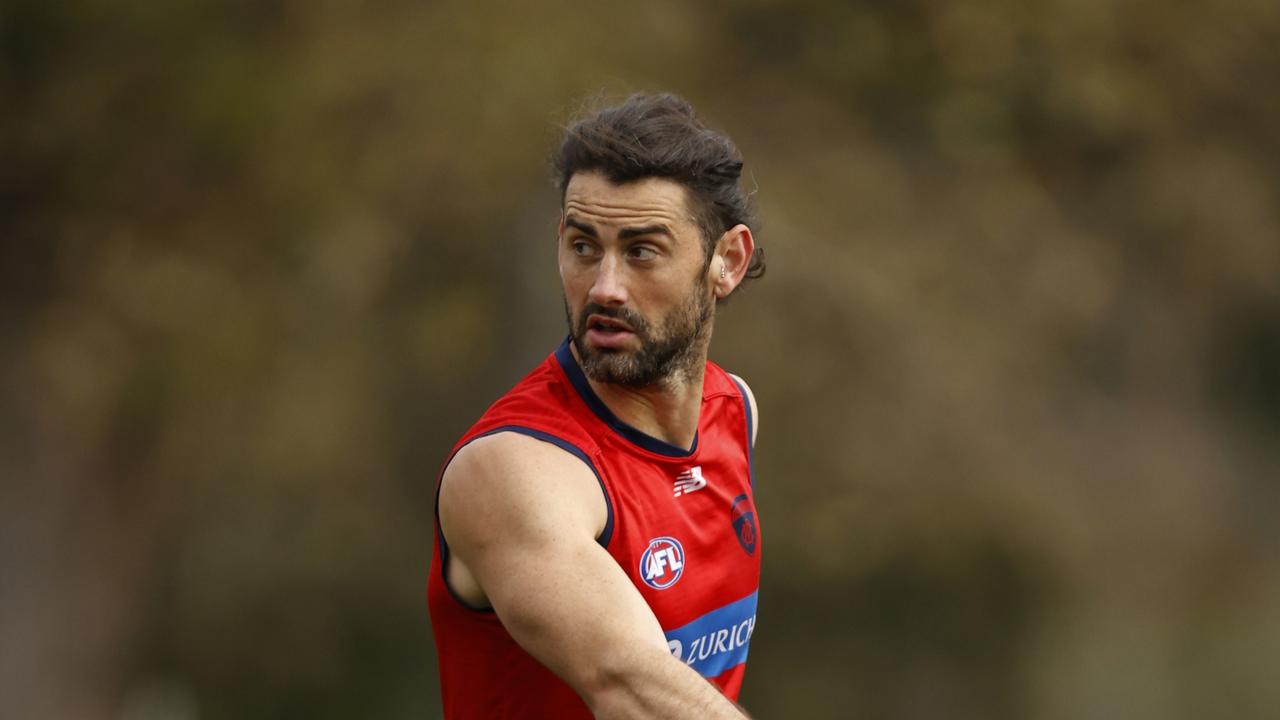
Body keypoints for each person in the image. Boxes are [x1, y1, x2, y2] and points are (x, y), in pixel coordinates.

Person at [427, 93, 767, 719]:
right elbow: (632, 687)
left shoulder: (734, 412)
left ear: (727, 261)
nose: (605, 287)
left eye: (642, 251)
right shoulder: (511, 471)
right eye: (584, 247)